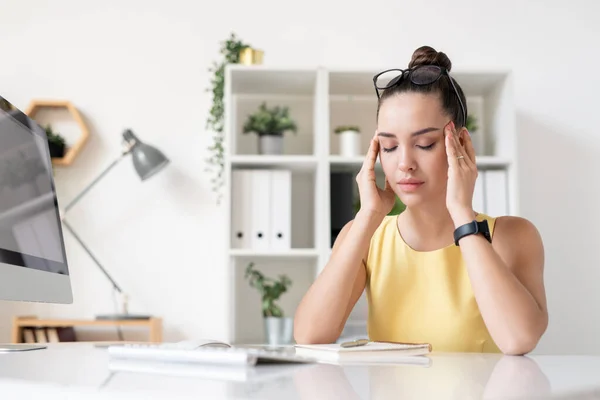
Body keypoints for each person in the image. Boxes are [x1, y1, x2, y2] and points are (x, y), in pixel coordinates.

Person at [293, 45, 548, 355]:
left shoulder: (512, 236)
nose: (405, 163)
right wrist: (367, 217)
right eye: (389, 147)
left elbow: (518, 339)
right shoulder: (365, 238)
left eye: (425, 144)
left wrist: (463, 215)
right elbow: (309, 336)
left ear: (461, 145)